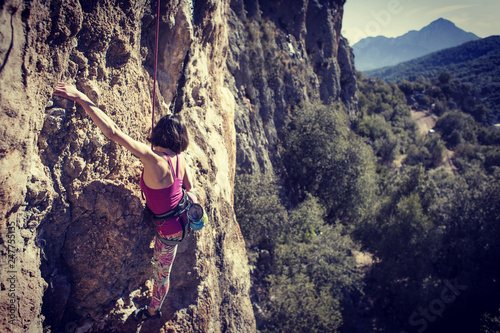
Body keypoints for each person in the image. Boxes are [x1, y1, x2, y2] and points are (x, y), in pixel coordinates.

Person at [53, 82, 194, 321]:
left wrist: (80, 97)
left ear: (159, 132)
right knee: (163, 270)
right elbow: (188, 187)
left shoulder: (152, 158)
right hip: (180, 222)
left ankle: (152, 311)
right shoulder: (180, 159)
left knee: (161, 273)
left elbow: (113, 132)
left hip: (167, 231)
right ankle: (154, 309)